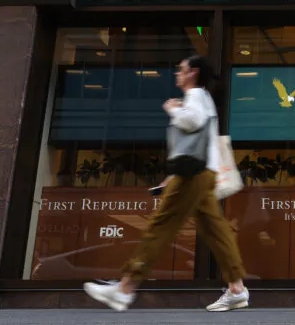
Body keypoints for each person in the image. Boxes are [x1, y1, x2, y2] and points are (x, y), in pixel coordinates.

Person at [83, 55, 249, 312]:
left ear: (192, 72)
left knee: (162, 224)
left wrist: (173, 109)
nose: (176, 74)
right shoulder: (203, 97)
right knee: (216, 231)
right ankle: (237, 288)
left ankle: (125, 288)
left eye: (180, 70)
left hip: (194, 174)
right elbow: (199, 141)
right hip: (204, 173)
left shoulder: (195, 95)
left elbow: (191, 121)